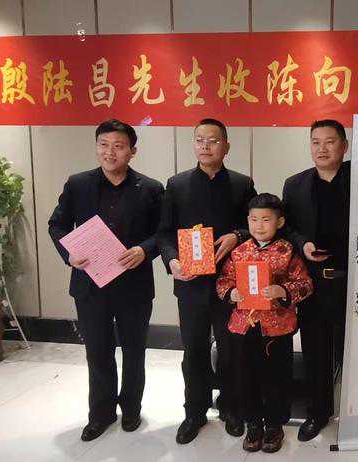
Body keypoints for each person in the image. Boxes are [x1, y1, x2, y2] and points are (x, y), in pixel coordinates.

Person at [48, 119, 164, 441]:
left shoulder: (151, 188)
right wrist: (68, 254)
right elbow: (57, 225)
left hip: (134, 285)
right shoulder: (78, 184)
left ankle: (131, 410)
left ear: (132, 151)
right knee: (97, 352)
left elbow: (163, 232)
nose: (110, 152)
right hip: (90, 285)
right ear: (96, 147)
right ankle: (100, 414)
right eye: (104, 145)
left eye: (118, 146)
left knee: (134, 351)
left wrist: (145, 249)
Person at [156, 118, 257, 444]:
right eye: (199, 140)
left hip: (231, 284)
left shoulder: (242, 184)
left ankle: (231, 407)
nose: (205, 146)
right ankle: (194, 412)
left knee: (231, 349)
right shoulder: (177, 184)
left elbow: (256, 226)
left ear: (226, 146)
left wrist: (237, 234)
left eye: (212, 140)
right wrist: (172, 260)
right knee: (194, 349)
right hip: (191, 283)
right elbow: (164, 233)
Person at [216, 193, 313, 453]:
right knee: (246, 376)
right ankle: (253, 423)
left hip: (276, 327)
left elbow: (305, 284)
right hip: (243, 326)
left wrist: (283, 291)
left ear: (280, 222)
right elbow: (223, 281)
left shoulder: (287, 251)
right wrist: (231, 294)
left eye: (266, 220)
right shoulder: (238, 252)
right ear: (247, 220)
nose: (259, 225)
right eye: (254, 219)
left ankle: (274, 425)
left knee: (277, 377)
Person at [281, 119, 350, 441]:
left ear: (344, 146)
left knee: (355, 352)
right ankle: (318, 412)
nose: (322, 149)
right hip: (313, 282)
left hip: (354, 282)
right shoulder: (294, 185)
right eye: (315, 142)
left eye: (330, 142)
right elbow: (287, 227)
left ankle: (357, 413)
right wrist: (302, 243)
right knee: (315, 349)